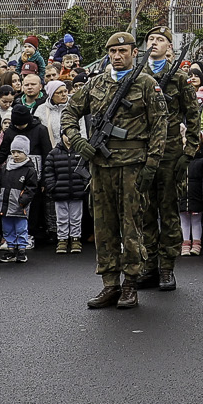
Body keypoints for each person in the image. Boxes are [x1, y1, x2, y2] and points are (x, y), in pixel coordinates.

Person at [60, 32, 172, 311]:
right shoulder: (96, 83)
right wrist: (77, 141)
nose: (117, 56)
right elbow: (69, 112)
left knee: (131, 226)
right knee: (104, 227)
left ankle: (131, 282)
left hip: (133, 165)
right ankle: (110, 283)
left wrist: (152, 164)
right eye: (112, 52)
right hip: (101, 166)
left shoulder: (146, 84)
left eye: (123, 51)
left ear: (134, 53)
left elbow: (160, 126)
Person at [135, 28, 200, 293]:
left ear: (169, 47)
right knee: (145, 211)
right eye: (150, 39)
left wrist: (189, 151)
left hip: (171, 152)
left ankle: (167, 268)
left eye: (160, 40)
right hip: (142, 151)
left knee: (169, 211)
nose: (154, 43)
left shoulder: (180, 78)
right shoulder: (137, 75)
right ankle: (149, 265)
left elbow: (193, 115)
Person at [0, 134, 40, 263]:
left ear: (26, 153)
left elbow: (31, 188)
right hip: (5, 204)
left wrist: (23, 200)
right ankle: (10, 250)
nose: (16, 155)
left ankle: (22, 250)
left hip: (20, 206)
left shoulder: (29, 170)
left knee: (21, 228)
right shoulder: (5, 168)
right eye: (13, 152)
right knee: (7, 228)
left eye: (19, 152)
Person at [41, 128, 88, 254]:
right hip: (59, 191)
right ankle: (62, 239)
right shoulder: (53, 153)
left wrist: (84, 185)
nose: (69, 138)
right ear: (62, 135)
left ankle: (75, 239)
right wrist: (52, 186)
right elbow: (48, 171)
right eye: (66, 135)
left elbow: (87, 169)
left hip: (77, 190)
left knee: (76, 218)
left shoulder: (81, 151)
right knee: (61, 218)